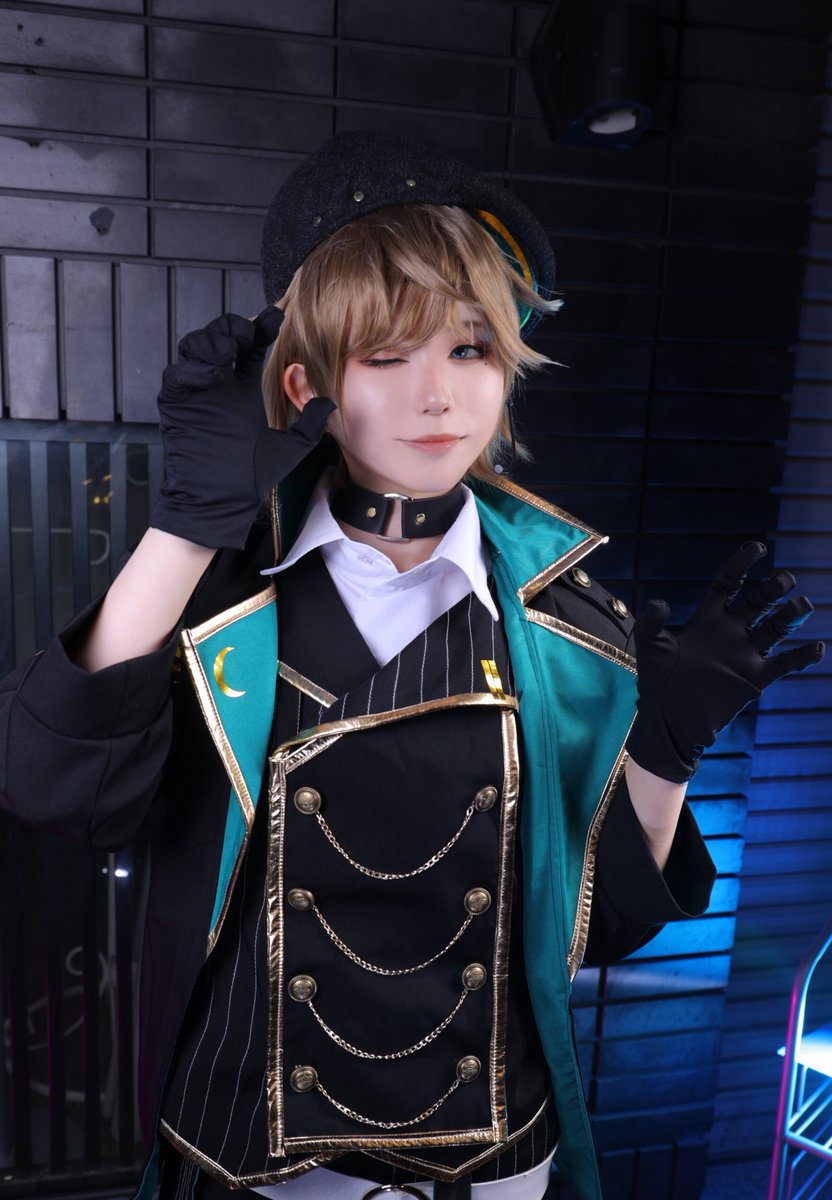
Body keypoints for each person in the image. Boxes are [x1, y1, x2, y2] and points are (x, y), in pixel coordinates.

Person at [0, 132, 824, 1200]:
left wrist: (663, 750)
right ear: (305, 379)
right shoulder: (209, 600)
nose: (438, 396)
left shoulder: (569, 621)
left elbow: (602, 931)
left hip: (491, 1164)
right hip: (251, 1158)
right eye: (387, 356)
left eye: (470, 349)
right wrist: (191, 522)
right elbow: (52, 788)